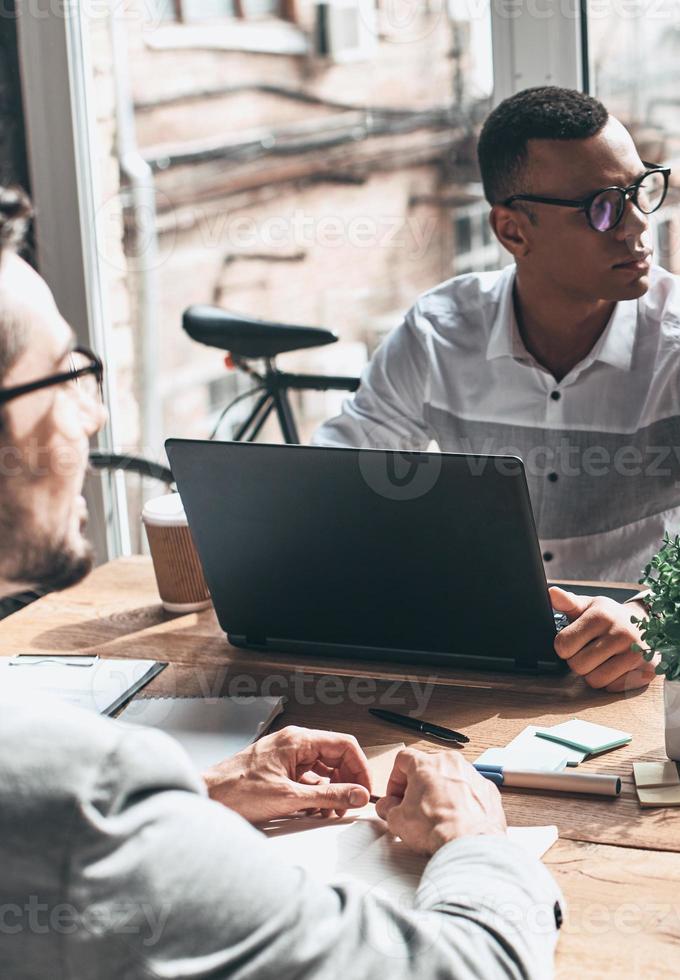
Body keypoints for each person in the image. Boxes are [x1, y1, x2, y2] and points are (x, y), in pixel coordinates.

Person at [0, 186, 562, 978]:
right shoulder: (76, 796)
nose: (90, 415)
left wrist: (198, 798)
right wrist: (476, 844)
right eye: (66, 373)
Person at [315, 86, 680, 693]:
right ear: (513, 231)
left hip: (650, 677)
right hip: (476, 669)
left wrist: (652, 615)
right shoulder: (437, 332)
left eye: (640, 191)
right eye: (602, 207)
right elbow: (330, 482)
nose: (637, 226)